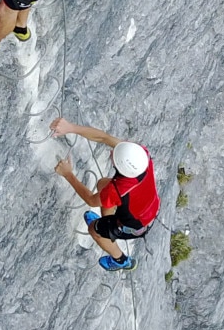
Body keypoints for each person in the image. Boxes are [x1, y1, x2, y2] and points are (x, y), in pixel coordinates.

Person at [50, 115, 158, 271]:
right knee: (102, 184)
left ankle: (120, 260)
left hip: (134, 224)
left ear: (120, 167)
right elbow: (104, 138)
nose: (111, 153)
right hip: (147, 205)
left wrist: (68, 174)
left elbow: (91, 200)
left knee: (94, 230)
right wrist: (70, 127)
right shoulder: (140, 157)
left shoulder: (119, 188)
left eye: (114, 156)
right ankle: (107, 221)